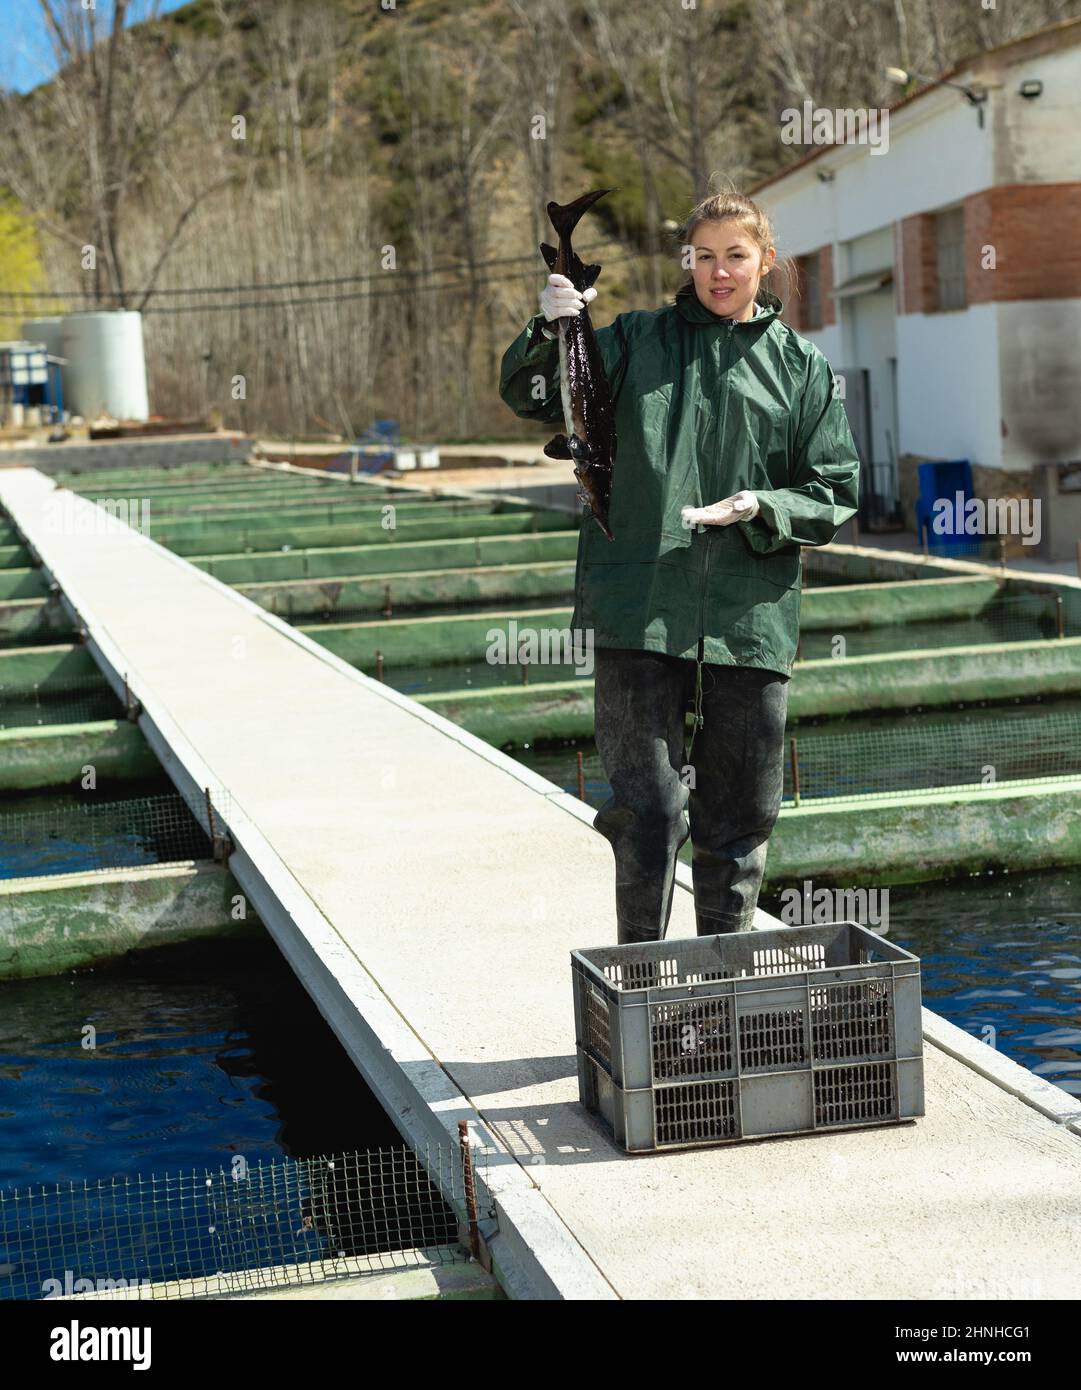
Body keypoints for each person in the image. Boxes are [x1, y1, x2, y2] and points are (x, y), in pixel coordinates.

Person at [498, 189, 860, 944]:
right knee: (650, 812)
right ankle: (641, 990)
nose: (719, 273)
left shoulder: (800, 369)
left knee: (735, 820)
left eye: (735, 256)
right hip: (638, 609)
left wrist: (761, 507)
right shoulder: (634, 340)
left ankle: (719, 995)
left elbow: (833, 488)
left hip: (748, 619)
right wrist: (550, 324)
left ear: (765, 262)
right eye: (703, 257)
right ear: (686, 263)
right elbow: (535, 397)